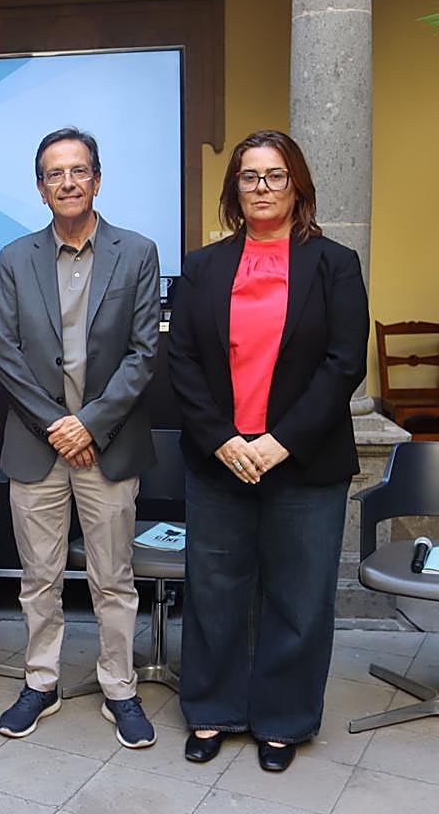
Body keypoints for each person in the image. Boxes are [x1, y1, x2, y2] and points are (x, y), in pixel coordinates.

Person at [169, 129, 368, 772]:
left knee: (299, 597)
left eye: (274, 175)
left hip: (304, 461)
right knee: (214, 591)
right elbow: (182, 362)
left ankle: (283, 720)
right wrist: (223, 439)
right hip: (220, 459)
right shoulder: (202, 267)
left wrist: (279, 443)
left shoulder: (335, 263)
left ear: (297, 185)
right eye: (249, 176)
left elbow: (344, 364)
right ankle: (212, 710)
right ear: (234, 188)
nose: (261, 187)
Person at [0, 127, 161, 748]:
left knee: (114, 578)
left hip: (108, 446)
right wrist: (61, 429)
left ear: (97, 179)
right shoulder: (14, 258)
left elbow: (144, 353)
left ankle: (120, 687)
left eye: (78, 170)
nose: (67, 182)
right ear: (41, 188)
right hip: (37, 447)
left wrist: (89, 423)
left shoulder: (137, 252)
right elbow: (5, 354)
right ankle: (41, 682)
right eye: (54, 174)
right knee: (39, 578)